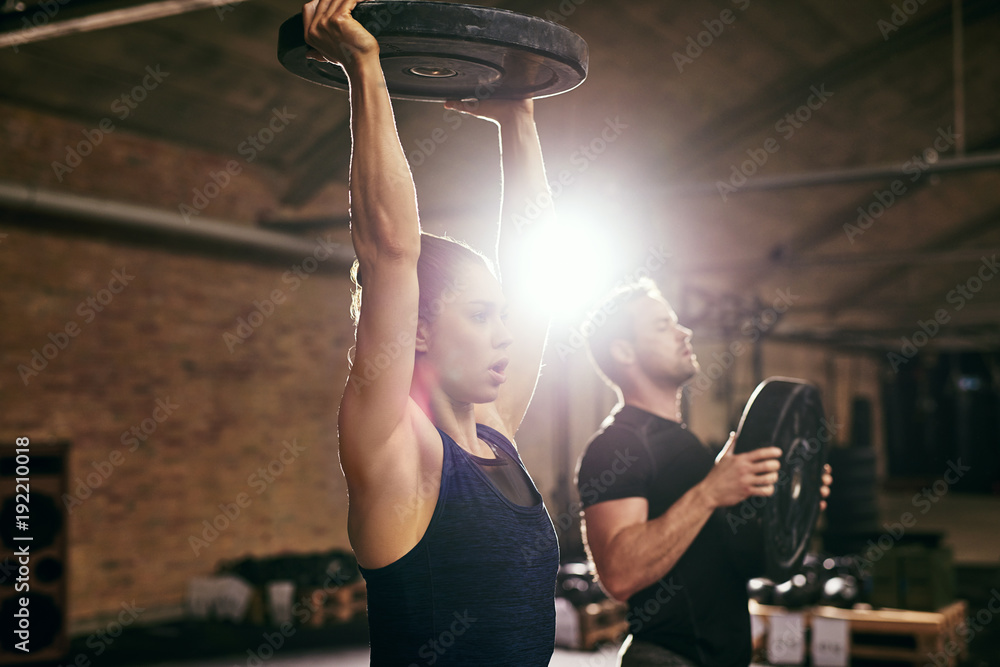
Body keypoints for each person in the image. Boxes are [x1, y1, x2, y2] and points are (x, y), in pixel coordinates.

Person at [302, 0, 560, 664]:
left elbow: (538, 275)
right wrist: (365, 66)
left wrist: (518, 120)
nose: (505, 333)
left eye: (501, 314)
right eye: (479, 314)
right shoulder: (397, 450)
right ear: (415, 333)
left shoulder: (497, 427)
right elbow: (389, 248)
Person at [575, 279, 832, 667]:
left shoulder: (686, 444)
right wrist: (710, 492)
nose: (684, 332)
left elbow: (723, 554)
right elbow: (619, 574)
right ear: (623, 350)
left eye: (676, 321)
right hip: (666, 657)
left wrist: (794, 499)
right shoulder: (616, 446)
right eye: (662, 326)